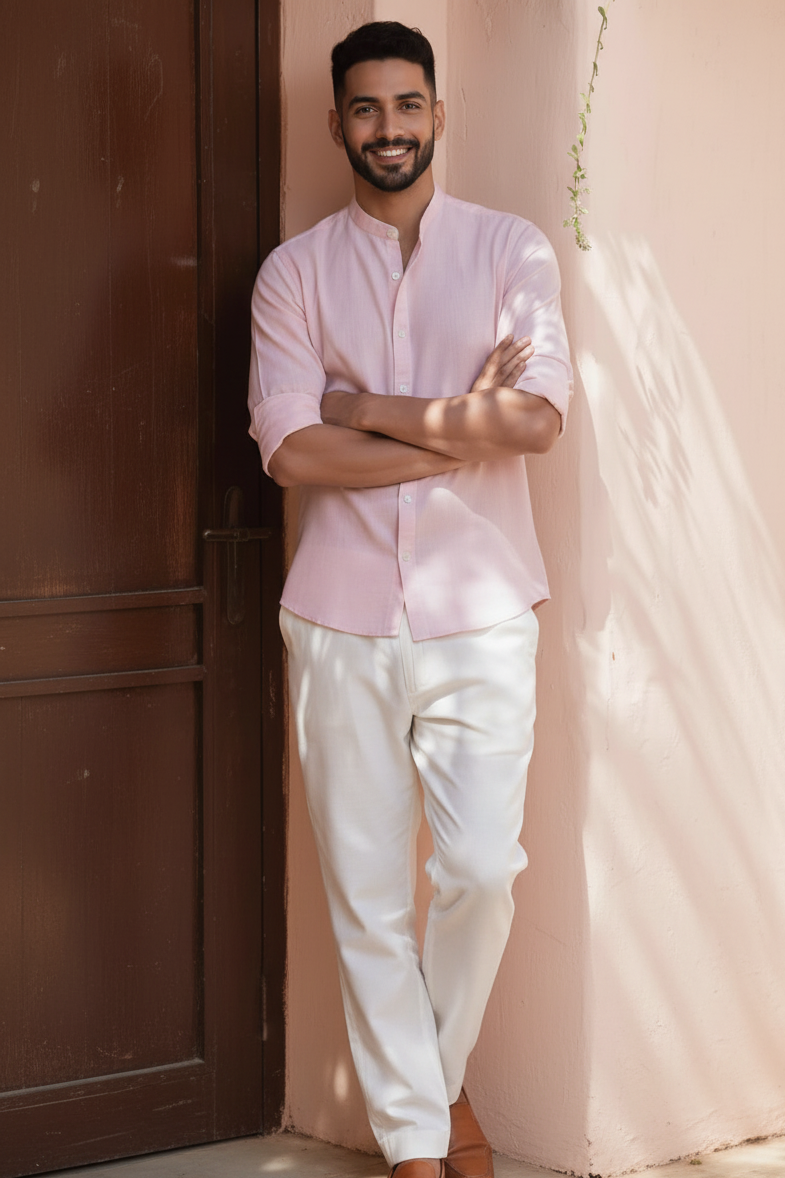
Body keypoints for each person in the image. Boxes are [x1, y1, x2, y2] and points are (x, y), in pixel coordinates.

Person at [248, 21, 572, 1178]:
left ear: (437, 114)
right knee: (367, 895)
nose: (387, 127)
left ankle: (426, 1093)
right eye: (365, 107)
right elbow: (291, 450)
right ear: (337, 123)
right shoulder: (291, 274)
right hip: (336, 618)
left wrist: (365, 407)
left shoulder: (510, 251)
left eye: (405, 104)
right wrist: (449, 431)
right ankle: (418, 1148)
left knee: (480, 869)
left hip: (479, 612)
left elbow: (532, 419)